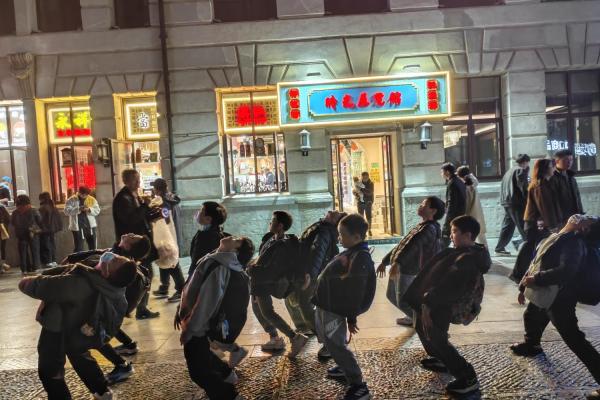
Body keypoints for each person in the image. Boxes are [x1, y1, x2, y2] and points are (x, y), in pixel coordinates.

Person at [19, 252, 137, 400]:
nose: (111, 255)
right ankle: (102, 391)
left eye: (115, 260)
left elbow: (38, 286)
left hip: (57, 328)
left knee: (50, 370)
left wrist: (26, 281)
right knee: (81, 357)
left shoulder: (80, 283)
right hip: (79, 332)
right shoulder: (115, 288)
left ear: (107, 272)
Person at [510, 215, 600, 400]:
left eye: (587, 219)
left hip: (560, 297)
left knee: (574, 338)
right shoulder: (559, 236)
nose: (581, 215)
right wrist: (524, 286)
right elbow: (537, 262)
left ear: (583, 228)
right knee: (533, 314)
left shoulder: (573, 243)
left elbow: (566, 271)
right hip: (546, 292)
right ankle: (532, 344)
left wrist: (536, 279)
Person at [404, 215, 491, 396]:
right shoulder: (460, 252)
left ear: (467, 235)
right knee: (429, 334)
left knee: (437, 339)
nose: (451, 235)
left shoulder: (466, 259)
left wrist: (427, 303)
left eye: (454, 231)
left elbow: (449, 288)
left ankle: (467, 377)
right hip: (433, 304)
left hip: (439, 307)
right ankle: (441, 359)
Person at [62, 233, 152, 385]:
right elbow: (98, 253)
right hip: (106, 306)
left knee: (96, 333)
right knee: (99, 331)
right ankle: (127, 349)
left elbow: (98, 263)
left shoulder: (117, 260)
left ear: (128, 247)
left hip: (103, 303)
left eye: (133, 237)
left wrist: (74, 261)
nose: (129, 234)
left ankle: (121, 365)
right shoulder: (119, 255)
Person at [176, 235, 255, 400]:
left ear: (235, 252)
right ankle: (226, 374)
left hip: (198, 326)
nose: (231, 237)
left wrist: (190, 329)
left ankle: (230, 396)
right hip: (195, 321)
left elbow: (206, 303)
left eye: (236, 240)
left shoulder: (220, 267)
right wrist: (181, 310)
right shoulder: (215, 259)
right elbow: (193, 287)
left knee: (198, 372)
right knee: (203, 356)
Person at [313, 214, 376, 400]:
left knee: (336, 344)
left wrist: (351, 317)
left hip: (335, 309)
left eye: (342, 234)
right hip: (327, 304)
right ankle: (343, 367)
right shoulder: (351, 251)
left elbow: (355, 291)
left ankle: (358, 384)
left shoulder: (361, 257)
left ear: (356, 237)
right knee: (328, 341)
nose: (339, 238)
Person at [377, 196, 445, 326]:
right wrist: (385, 261)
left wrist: (398, 263)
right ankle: (412, 317)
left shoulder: (429, 229)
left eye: (424, 205)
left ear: (433, 211)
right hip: (401, 266)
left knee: (404, 301)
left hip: (408, 269)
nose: (420, 206)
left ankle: (424, 323)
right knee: (391, 295)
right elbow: (402, 245)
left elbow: (413, 247)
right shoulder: (421, 226)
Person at [248, 210, 308, 356]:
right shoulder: (271, 239)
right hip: (259, 282)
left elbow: (273, 269)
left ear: (280, 225)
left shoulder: (282, 245)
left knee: (267, 312)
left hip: (264, 283)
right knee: (258, 310)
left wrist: (252, 270)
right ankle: (275, 337)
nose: (270, 222)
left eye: (273, 220)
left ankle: (295, 337)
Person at [286, 210, 346, 353]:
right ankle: (305, 327)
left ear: (335, 221)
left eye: (337, 214)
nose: (335, 210)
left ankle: (328, 341)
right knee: (294, 300)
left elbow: (317, 252)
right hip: (305, 272)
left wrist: (310, 275)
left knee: (305, 305)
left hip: (311, 275)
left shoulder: (324, 231)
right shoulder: (322, 226)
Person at [113, 169, 159, 320]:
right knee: (141, 275)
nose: (138, 183)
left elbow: (141, 217)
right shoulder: (122, 198)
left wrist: (154, 213)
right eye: (135, 180)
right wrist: (145, 206)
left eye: (139, 179)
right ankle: (134, 307)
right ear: (126, 181)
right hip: (132, 245)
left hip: (140, 243)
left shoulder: (133, 195)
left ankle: (140, 307)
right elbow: (131, 219)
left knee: (146, 274)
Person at [511, 159, 563, 283]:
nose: (553, 168)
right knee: (531, 249)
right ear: (545, 169)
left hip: (538, 222)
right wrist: (552, 225)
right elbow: (544, 207)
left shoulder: (546, 183)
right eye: (551, 166)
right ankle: (518, 274)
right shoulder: (540, 185)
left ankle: (520, 274)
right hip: (536, 223)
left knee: (532, 248)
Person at [149, 178, 186, 303]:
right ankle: (164, 286)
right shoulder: (172, 198)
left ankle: (181, 289)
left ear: (157, 189)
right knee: (163, 259)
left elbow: (166, 220)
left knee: (172, 263)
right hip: (172, 235)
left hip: (167, 236)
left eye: (154, 188)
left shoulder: (163, 202)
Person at [495, 154, 530, 255]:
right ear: (526, 162)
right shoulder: (520, 171)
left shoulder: (509, 171)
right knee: (523, 225)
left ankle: (499, 248)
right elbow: (523, 187)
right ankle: (529, 248)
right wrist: (528, 199)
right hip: (516, 202)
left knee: (508, 226)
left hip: (507, 201)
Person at [188, 201, 230, 280]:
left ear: (208, 219)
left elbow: (197, 263)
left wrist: (190, 280)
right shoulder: (216, 233)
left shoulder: (205, 237)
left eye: (201, 210)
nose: (198, 213)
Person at [551, 149, 584, 226]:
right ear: (557, 161)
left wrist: (581, 213)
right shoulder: (552, 178)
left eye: (571, 160)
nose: (569, 162)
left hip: (575, 217)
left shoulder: (571, 177)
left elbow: (577, 197)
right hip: (561, 220)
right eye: (566, 160)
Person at [457, 166, 487, 248]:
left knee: (468, 236)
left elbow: (466, 204)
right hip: (476, 213)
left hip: (469, 214)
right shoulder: (473, 184)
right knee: (480, 236)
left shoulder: (466, 188)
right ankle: (485, 252)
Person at [11, 194, 42, 274]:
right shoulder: (33, 210)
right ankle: (34, 267)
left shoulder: (15, 212)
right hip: (31, 233)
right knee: (33, 251)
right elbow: (40, 221)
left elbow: (13, 223)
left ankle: (25, 269)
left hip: (24, 234)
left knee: (23, 252)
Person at [64, 186, 100, 252]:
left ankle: (93, 257)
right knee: (78, 247)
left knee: (93, 246)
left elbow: (97, 210)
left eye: (86, 194)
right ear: (79, 192)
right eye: (83, 194)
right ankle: (78, 258)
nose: (84, 196)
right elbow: (66, 211)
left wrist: (89, 210)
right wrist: (78, 209)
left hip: (90, 226)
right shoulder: (71, 200)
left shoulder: (91, 199)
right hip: (77, 227)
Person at [440, 163, 467, 248]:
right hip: (460, 214)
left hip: (454, 216)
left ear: (447, 172)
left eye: (442, 172)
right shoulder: (459, 181)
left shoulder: (452, 183)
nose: (441, 174)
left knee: (446, 236)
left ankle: (441, 253)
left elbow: (452, 202)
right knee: (457, 237)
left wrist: (448, 220)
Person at [39, 192, 63, 268]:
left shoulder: (43, 208)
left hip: (45, 230)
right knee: (52, 244)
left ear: (42, 199)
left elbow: (40, 220)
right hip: (52, 229)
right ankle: (53, 260)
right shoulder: (53, 206)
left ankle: (48, 261)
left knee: (46, 245)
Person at [356, 172, 374, 237]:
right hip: (360, 202)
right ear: (362, 177)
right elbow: (356, 191)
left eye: (366, 177)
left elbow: (370, 192)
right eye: (363, 177)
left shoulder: (371, 183)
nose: (365, 178)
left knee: (368, 216)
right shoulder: (359, 183)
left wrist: (361, 189)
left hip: (368, 202)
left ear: (368, 176)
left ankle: (369, 229)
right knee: (361, 217)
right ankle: (363, 231)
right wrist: (356, 194)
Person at [0, 203, 11, 273]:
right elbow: (8, 219)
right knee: (2, 249)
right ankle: (2, 266)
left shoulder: (1, 207)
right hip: (3, 231)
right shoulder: (2, 207)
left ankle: (2, 266)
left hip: (2, 231)